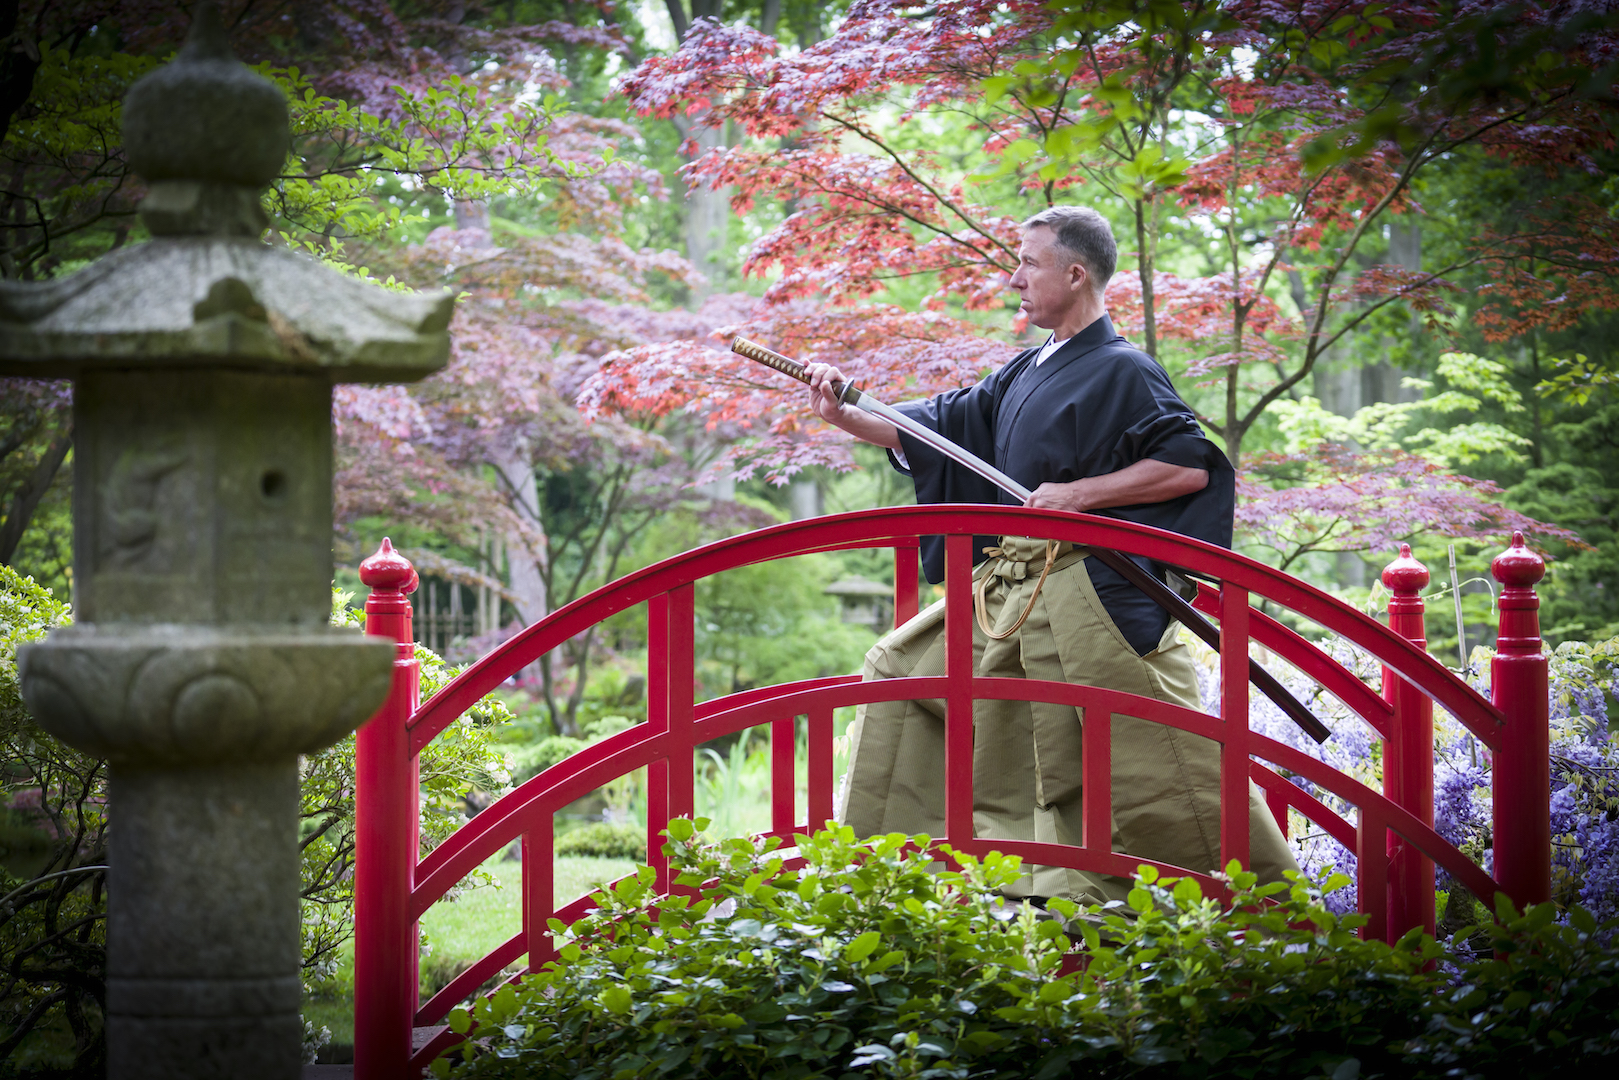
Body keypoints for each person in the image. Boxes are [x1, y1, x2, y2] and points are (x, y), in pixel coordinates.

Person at [805, 205, 1297, 902]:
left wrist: (1081, 495)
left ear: (1074, 273)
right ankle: (890, 878)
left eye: (1028, 263)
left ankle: (1266, 907)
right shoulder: (1024, 370)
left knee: (1149, 753)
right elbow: (940, 429)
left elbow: (1188, 466)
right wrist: (845, 414)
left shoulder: (1124, 370)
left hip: (1093, 592)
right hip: (1013, 590)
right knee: (902, 671)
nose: (1013, 279)